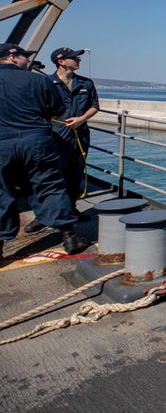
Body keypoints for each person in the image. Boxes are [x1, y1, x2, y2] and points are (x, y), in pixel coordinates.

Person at [0, 43, 87, 258]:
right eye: (25, 56)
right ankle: (70, 237)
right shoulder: (39, 81)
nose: (28, 60)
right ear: (12, 56)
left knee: (2, 191)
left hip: (2, 143)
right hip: (38, 141)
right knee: (50, 186)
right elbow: (57, 108)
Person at [24, 47, 99, 233]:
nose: (78, 60)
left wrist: (81, 119)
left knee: (75, 175)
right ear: (61, 61)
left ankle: (71, 209)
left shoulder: (86, 83)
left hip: (79, 137)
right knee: (50, 177)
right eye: (74, 58)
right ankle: (42, 216)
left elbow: (95, 106)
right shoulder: (47, 83)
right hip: (54, 137)